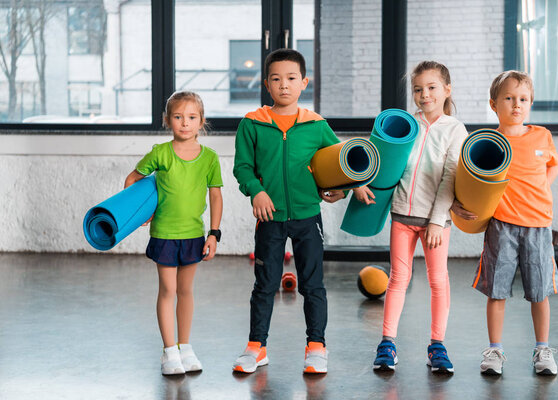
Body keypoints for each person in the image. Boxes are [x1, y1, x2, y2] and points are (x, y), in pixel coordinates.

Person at [232, 48, 349, 374]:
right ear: (267, 85)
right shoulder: (252, 124)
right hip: (269, 219)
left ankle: (316, 346)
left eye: (291, 78)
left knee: (312, 284)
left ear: (304, 82)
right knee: (264, 284)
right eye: (276, 79)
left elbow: (340, 165)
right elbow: (243, 168)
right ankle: (256, 346)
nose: (284, 85)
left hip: (307, 216)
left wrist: (343, 190)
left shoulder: (316, 125)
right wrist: (257, 191)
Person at [355, 61, 470, 373]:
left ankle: (437, 346)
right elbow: (382, 157)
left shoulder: (455, 129)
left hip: (435, 223)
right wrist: (361, 181)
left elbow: (449, 176)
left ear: (447, 90)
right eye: (418, 89)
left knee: (438, 281)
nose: (424, 94)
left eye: (432, 88)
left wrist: (436, 219)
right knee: (398, 279)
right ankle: (387, 343)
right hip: (402, 215)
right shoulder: (408, 124)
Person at [124, 91, 223, 375]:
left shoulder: (210, 158)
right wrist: (142, 211)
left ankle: (185, 346)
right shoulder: (160, 153)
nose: (184, 123)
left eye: (191, 117)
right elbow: (133, 179)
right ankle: (169, 351)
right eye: (178, 117)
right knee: (168, 290)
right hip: (165, 234)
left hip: (194, 234)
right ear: (167, 120)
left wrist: (214, 233)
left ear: (201, 121)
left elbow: (216, 197)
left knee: (186, 290)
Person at [471, 71, 558, 376]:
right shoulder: (489, 141)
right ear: (494, 104)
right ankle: (495, 350)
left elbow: (553, 164)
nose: (516, 104)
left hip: (538, 225)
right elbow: (473, 180)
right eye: (508, 98)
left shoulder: (542, 136)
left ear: (530, 103)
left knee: (539, 291)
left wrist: (543, 188)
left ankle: (542, 349)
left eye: (522, 99)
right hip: (502, 226)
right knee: (497, 291)